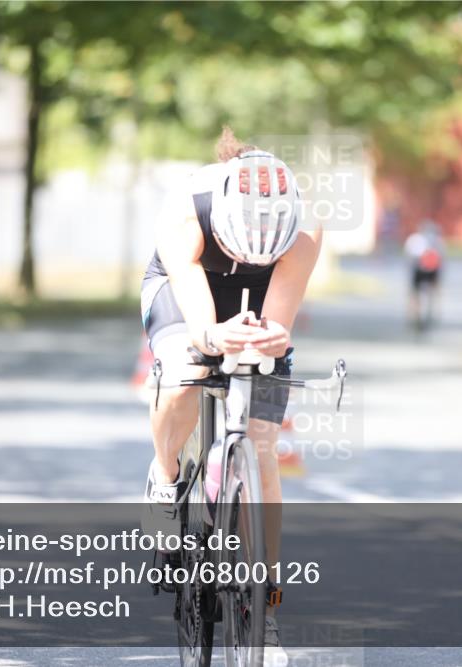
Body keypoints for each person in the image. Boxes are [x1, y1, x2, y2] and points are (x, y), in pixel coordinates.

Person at [140, 127, 322, 665]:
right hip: (187, 288)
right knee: (184, 370)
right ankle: (166, 472)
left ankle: (264, 608)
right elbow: (197, 320)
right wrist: (213, 336)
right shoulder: (186, 208)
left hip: (261, 298)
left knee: (263, 447)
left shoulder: (306, 227)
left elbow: (280, 325)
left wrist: (269, 336)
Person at [403, 219, 444, 330]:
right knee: (432, 293)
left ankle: (414, 315)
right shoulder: (437, 241)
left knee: (415, 294)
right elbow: (442, 260)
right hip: (432, 271)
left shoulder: (414, 240)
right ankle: (429, 313)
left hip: (417, 270)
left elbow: (409, 258)